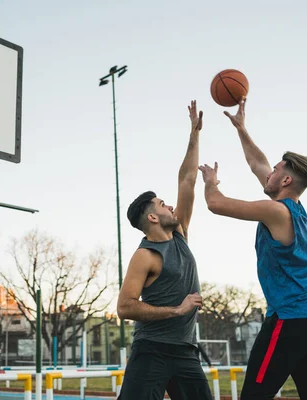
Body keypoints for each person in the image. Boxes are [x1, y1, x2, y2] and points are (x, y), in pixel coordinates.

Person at [198, 97, 307, 399]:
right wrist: (242, 128)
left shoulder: (277, 212)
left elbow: (215, 204)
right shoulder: (293, 207)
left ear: (284, 179)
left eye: (275, 170)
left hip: (290, 320)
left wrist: (211, 181)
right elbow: (256, 163)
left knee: (253, 396)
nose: (267, 172)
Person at [117, 101, 212, 400]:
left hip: (185, 351)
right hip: (152, 351)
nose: (170, 205)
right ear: (152, 218)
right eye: (161, 204)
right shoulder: (145, 255)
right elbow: (125, 308)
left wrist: (194, 133)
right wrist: (177, 309)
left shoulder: (180, 234)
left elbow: (187, 179)